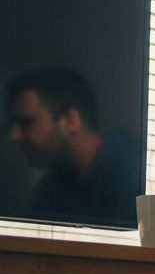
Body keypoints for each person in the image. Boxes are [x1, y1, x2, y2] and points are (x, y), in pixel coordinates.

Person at [6, 67, 138, 225]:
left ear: (70, 121)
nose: (13, 135)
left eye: (26, 122)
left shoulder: (133, 173)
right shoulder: (53, 184)